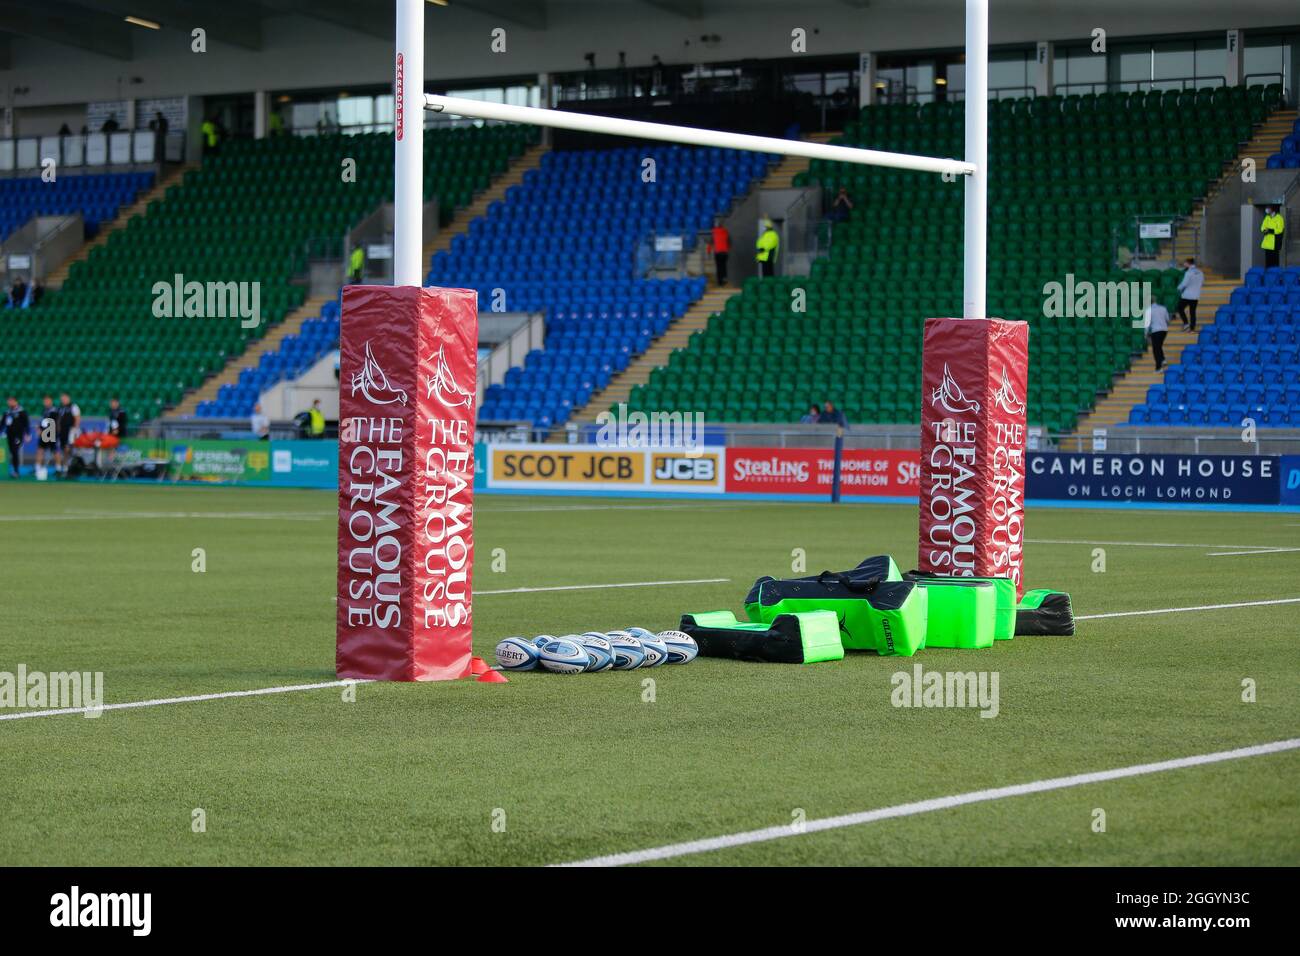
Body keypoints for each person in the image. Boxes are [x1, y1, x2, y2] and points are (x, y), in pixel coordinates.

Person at [3, 396, 30, 479]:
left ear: (16, 401)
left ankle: (16, 471)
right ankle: (14, 470)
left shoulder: (21, 412)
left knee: (15, 451)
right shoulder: (7, 412)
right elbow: (2, 424)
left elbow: (26, 423)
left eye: (11, 401)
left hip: (18, 436)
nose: (9, 403)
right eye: (8, 401)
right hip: (9, 435)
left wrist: (27, 434)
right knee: (12, 452)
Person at [54, 392, 80, 476]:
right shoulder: (60, 408)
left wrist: (75, 430)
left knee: (67, 449)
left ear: (68, 398)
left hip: (70, 431)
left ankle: (66, 468)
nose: (63, 400)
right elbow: (58, 419)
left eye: (64, 398)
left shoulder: (73, 407)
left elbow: (77, 418)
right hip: (61, 432)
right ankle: (58, 469)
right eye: (62, 398)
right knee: (58, 449)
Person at [1175, 258, 1203, 332]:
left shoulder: (1189, 272)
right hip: (1195, 295)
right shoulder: (1200, 272)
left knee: (1180, 308)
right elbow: (1201, 283)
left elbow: (1184, 284)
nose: (1184, 264)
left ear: (1188, 263)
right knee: (1192, 312)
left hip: (1187, 295)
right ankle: (1192, 328)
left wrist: (1178, 288)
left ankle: (1186, 324)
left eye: (1185, 263)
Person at [35, 395, 58, 478]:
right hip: (43, 433)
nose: (45, 402)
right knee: (40, 450)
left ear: (51, 401)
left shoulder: (54, 411)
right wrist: (39, 429)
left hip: (51, 433)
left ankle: (58, 469)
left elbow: (55, 423)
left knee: (55, 451)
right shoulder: (44, 411)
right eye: (44, 401)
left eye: (47, 400)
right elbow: (42, 422)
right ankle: (37, 468)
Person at [1145, 300, 1171, 372]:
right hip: (1164, 330)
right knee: (1158, 346)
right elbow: (1167, 320)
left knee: (1156, 349)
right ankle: (1163, 359)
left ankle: (1158, 367)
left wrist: (1146, 334)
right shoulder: (1163, 308)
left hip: (1155, 330)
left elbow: (1147, 324)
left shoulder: (1149, 310)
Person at [706, 219, 731, 286]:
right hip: (725, 253)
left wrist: (708, 252)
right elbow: (729, 243)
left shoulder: (714, 233)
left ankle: (720, 282)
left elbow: (710, 243)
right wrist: (727, 249)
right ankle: (724, 280)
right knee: (724, 267)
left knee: (719, 267)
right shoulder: (725, 232)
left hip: (718, 253)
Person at [1260, 204, 1285, 269]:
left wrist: (1270, 230)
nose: (1267, 209)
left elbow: (1280, 229)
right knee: (1268, 262)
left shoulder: (1279, 218)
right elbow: (1263, 227)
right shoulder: (1267, 217)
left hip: (1275, 244)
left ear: (1272, 209)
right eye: (1266, 207)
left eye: (1268, 208)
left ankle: (1274, 276)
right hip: (1267, 244)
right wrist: (1264, 230)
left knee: (1274, 262)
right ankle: (1268, 276)